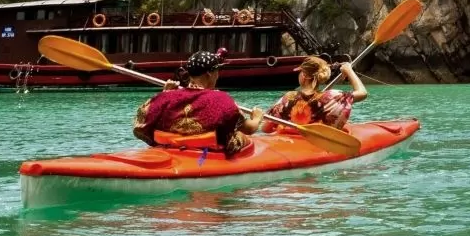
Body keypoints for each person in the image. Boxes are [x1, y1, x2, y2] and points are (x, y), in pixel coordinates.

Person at [133, 50, 264, 156]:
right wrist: (257, 118)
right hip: (205, 153)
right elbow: (249, 128)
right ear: (209, 74)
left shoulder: (167, 96)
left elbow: (141, 122)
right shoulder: (222, 99)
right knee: (240, 136)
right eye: (217, 71)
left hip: (171, 147)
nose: (218, 75)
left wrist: (164, 94)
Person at [265, 56, 368, 132]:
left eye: (300, 72)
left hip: (290, 144)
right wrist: (349, 71)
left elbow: (266, 129)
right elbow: (362, 92)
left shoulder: (287, 98)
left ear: (304, 75)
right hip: (320, 145)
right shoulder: (332, 96)